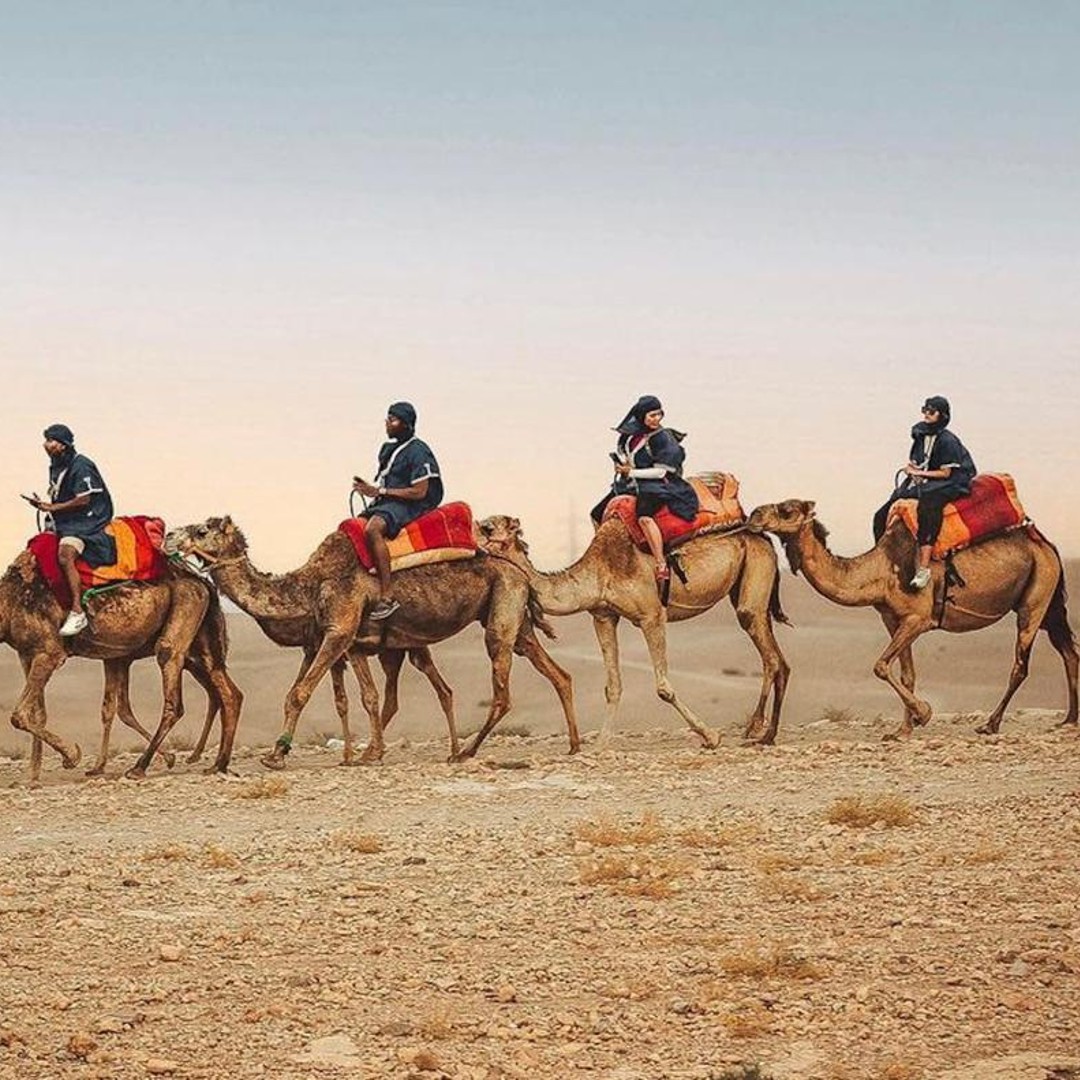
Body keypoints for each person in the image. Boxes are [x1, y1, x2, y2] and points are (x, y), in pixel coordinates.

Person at [590, 395, 699, 591]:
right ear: (641, 417)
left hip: (658, 485)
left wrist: (630, 471)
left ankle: (661, 564)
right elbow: (628, 458)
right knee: (597, 513)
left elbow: (662, 471)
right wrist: (623, 466)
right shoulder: (629, 437)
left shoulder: (663, 438)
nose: (656, 419)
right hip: (630, 484)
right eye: (651, 415)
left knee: (644, 517)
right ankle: (605, 556)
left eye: (658, 414)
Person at [872, 395, 976, 590]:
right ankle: (883, 561)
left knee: (929, 506)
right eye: (925, 410)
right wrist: (914, 469)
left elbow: (946, 472)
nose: (927, 414)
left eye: (931, 411)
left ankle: (924, 568)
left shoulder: (949, 441)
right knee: (883, 511)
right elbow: (919, 461)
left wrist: (919, 473)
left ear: (942, 415)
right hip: (926, 479)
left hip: (951, 481)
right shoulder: (920, 434)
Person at [352, 402, 443, 620]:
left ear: (406, 424)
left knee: (372, 530)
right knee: (353, 528)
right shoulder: (388, 449)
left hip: (412, 503)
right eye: (387, 419)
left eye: (392, 420)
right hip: (389, 501)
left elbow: (420, 491)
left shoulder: (419, 451)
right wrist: (369, 489)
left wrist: (379, 490)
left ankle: (387, 596)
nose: (387, 424)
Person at [25, 423, 115, 636]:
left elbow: (84, 499)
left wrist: (53, 507)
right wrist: (45, 505)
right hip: (67, 518)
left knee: (65, 555)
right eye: (46, 440)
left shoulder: (81, 465)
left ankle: (77, 611)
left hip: (87, 520)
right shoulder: (57, 466)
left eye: (50, 441)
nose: (46, 445)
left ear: (63, 445)